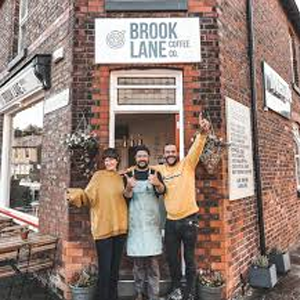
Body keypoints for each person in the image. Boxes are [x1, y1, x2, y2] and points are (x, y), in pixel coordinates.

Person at [154, 112, 210, 300]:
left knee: (190, 259)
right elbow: (140, 170)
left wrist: (203, 132)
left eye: (172, 152)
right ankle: (176, 288)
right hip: (170, 222)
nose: (170, 154)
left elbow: (197, 146)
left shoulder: (187, 164)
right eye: (167, 152)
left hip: (188, 220)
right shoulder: (160, 170)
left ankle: (190, 292)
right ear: (164, 155)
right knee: (172, 258)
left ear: (176, 153)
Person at [65, 148, 128, 300]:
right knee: (105, 270)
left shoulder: (122, 178)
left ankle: (113, 297)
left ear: (117, 160)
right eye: (106, 160)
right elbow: (88, 197)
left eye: (112, 159)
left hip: (120, 228)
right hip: (103, 229)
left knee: (114, 269)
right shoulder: (98, 176)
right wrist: (76, 194)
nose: (109, 162)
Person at [124, 145, 166, 300]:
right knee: (138, 266)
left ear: (148, 158)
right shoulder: (129, 174)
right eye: (139, 156)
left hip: (151, 226)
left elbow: (162, 191)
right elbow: (126, 197)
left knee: (154, 265)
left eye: (144, 156)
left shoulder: (155, 173)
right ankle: (139, 294)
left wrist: (157, 184)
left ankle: (154, 295)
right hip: (136, 226)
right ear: (135, 158)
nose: (142, 158)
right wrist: (129, 187)